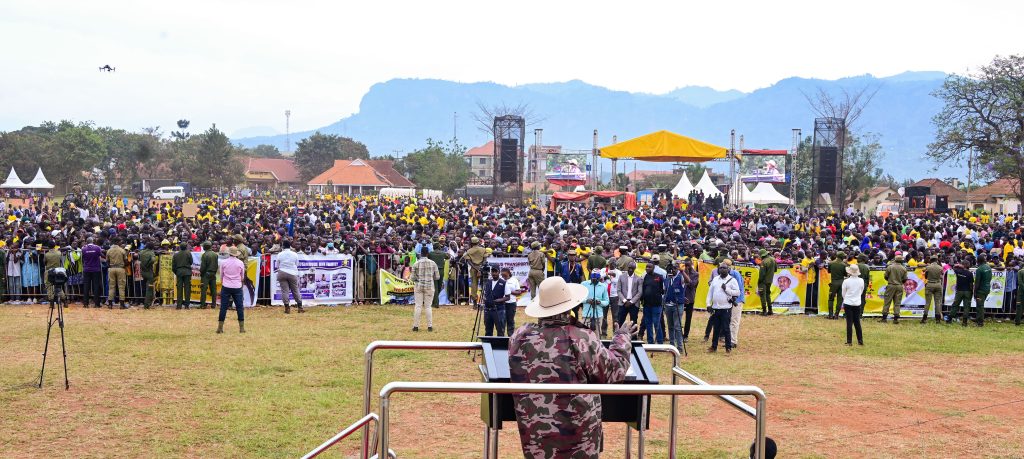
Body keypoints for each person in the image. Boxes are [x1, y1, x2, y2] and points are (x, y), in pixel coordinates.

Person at [508, 276, 636, 458]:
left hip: (536, 436)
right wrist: (622, 338)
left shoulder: (519, 337)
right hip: (578, 438)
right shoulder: (581, 337)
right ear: (570, 308)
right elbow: (614, 371)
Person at [706, 263, 739, 353]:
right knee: (716, 328)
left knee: (726, 328)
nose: (722, 270)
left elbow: (737, 292)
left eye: (724, 268)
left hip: (726, 308)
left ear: (728, 269)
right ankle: (714, 347)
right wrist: (708, 304)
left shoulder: (732, 280)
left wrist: (727, 289)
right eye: (720, 268)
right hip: (716, 307)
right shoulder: (715, 279)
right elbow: (710, 293)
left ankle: (728, 347)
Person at [216, 247, 246, 334]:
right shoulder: (240, 263)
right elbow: (242, 276)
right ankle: (241, 328)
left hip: (226, 286)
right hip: (237, 286)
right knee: (239, 307)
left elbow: (221, 275)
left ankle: (220, 328)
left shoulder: (223, 262)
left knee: (223, 307)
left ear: (229, 253)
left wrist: (224, 282)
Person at [410, 246, 440, 332]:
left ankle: (415, 326)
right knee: (428, 306)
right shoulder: (433, 263)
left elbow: (412, 278)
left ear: (420, 253)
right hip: (429, 286)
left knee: (418, 306)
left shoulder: (416, 263)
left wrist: (418, 279)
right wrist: (430, 278)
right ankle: (429, 326)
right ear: (427, 253)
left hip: (419, 286)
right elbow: (437, 277)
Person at [640, 262, 665, 344]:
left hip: (656, 305)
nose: (647, 268)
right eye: (646, 267)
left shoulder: (659, 277)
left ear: (653, 268)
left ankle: (660, 341)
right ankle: (650, 341)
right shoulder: (645, 277)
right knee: (648, 324)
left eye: (649, 267)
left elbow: (662, 290)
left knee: (657, 323)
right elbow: (643, 289)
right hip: (646, 305)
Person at [276, 240, 304, 314]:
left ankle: (287, 308)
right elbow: (297, 264)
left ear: (283, 246)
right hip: (292, 273)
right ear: (290, 246)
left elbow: (277, 265)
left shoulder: (280, 254)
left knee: (285, 291)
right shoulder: (294, 254)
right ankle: (300, 307)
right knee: (295, 290)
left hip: (282, 272)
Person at [880, 254, 908, 323]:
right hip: (899, 286)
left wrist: (891, 280)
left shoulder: (890, 267)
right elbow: (905, 279)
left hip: (891, 285)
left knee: (887, 301)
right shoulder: (903, 268)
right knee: (897, 302)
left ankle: (884, 318)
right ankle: (896, 318)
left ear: (895, 260)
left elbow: (886, 276)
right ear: (902, 261)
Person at [841, 264, 865, 346]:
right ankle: (860, 340)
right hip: (857, 303)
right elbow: (861, 291)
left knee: (849, 322)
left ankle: (849, 341)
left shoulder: (846, 281)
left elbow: (843, 293)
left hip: (848, 302)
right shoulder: (861, 280)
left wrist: (847, 298)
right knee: (857, 322)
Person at [664, 264, 685, 351]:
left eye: (674, 268)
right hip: (668, 305)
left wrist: (682, 272)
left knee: (677, 326)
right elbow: (664, 291)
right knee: (670, 326)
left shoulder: (681, 277)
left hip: (678, 305)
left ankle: (680, 347)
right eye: (671, 269)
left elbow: (688, 281)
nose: (672, 270)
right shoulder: (667, 279)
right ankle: (671, 345)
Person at [616, 263, 642, 333]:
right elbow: (618, 290)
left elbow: (640, 292)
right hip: (623, 303)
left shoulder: (639, 278)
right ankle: (619, 337)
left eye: (632, 268)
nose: (630, 270)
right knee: (620, 321)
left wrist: (631, 302)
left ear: (634, 269)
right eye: (629, 268)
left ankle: (634, 339)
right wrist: (625, 301)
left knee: (633, 322)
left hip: (634, 304)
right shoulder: (621, 277)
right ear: (627, 267)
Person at [482, 267, 507, 336]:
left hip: (499, 310)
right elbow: (485, 293)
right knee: (488, 331)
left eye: (496, 271)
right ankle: (489, 346)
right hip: (488, 310)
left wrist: (498, 300)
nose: (494, 273)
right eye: (492, 271)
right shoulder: (488, 282)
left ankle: (499, 346)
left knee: (500, 330)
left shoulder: (503, 283)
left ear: (499, 272)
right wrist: (484, 298)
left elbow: (508, 297)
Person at [948, 260, 975, 325]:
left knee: (955, 305)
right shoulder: (970, 273)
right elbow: (971, 284)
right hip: (968, 291)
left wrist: (959, 265)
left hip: (959, 291)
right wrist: (972, 292)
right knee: (966, 306)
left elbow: (953, 267)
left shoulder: (958, 271)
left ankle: (950, 319)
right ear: (967, 265)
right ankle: (964, 321)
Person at [81, 237, 103, 308]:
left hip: (86, 269)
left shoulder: (83, 249)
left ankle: (85, 303)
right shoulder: (97, 248)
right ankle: (96, 304)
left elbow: (83, 257)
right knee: (96, 286)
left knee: (86, 286)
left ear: (86, 242)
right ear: (93, 241)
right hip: (95, 269)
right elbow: (100, 255)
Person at [922, 256, 944, 323]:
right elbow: (941, 275)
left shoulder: (928, 267)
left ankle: (924, 318)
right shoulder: (940, 268)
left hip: (930, 284)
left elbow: (926, 276)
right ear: (937, 260)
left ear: (931, 260)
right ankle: (938, 319)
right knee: (937, 302)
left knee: (928, 302)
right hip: (938, 284)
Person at [681, 258, 698, 342]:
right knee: (678, 317)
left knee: (688, 318)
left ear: (691, 264)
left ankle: (686, 335)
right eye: (685, 265)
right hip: (681, 297)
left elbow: (692, 285)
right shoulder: (681, 272)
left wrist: (686, 274)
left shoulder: (695, 274)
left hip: (690, 298)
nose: (687, 267)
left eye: (688, 265)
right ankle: (679, 334)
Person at [106, 239, 128, 308]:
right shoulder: (122, 250)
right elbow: (126, 260)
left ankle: (110, 304)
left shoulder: (109, 250)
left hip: (111, 269)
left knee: (111, 286)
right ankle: (122, 304)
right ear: (118, 242)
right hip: (120, 269)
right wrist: (123, 266)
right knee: (121, 287)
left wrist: (110, 266)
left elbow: (107, 261)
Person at [972, 254, 992, 327]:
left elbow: (977, 282)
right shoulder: (988, 267)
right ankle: (978, 319)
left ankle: (980, 322)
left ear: (978, 261)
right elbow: (990, 278)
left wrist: (975, 292)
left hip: (981, 290)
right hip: (987, 288)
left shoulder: (979, 269)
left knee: (980, 306)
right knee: (981, 305)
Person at [502, 267, 523, 336]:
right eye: (502, 275)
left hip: (511, 303)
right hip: (502, 303)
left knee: (510, 321)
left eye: (505, 275)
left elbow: (519, 292)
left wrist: (509, 291)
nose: (504, 277)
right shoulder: (501, 280)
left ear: (509, 273)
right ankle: (501, 336)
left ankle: (510, 337)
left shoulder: (514, 280)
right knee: (502, 321)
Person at [172, 243, 193, 310]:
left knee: (179, 289)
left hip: (179, 272)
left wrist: (177, 272)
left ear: (180, 247)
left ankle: (179, 306)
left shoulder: (176, 255)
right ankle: (187, 305)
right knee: (187, 289)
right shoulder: (188, 253)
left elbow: (173, 266)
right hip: (187, 272)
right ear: (186, 247)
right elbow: (191, 262)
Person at [826, 252, 847, 319]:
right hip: (841, 283)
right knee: (840, 299)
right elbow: (845, 274)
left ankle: (830, 315)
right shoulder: (844, 265)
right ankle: (836, 315)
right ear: (842, 257)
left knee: (831, 299)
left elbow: (828, 271)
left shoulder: (831, 263)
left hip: (833, 283)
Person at [198, 241, 218, 309]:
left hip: (206, 274)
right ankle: (214, 305)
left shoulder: (205, 255)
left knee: (204, 289)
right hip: (213, 274)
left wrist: (201, 272)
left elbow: (203, 266)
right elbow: (216, 265)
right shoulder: (215, 254)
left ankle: (203, 305)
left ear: (205, 247)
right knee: (213, 290)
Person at [757, 249, 777, 315]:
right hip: (770, 280)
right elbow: (775, 270)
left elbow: (761, 274)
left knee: (763, 295)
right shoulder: (773, 259)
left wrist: (759, 281)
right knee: (768, 295)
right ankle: (770, 310)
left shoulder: (764, 262)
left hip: (763, 281)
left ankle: (764, 311)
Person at [139, 240, 156, 309]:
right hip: (149, 272)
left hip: (143, 271)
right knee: (149, 288)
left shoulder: (142, 252)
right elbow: (153, 260)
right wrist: (149, 264)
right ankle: (147, 305)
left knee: (144, 287)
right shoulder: (151, 252)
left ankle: (146, 302)